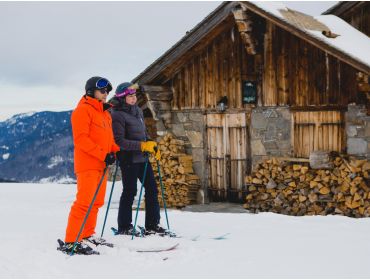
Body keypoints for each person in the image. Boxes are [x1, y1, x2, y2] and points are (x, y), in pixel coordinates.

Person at [59, 76, 120, 255]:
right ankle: (71, 240)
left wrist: (116, 151)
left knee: (96, 202)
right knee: (84, 202)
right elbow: (81, 140)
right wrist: (103, 155)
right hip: (88, 165)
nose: (106, 94)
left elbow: (108, 140)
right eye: (102, 90)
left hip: (102, 166)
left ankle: (87, 234)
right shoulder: (82, 111)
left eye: (107, 91)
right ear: (91, 91)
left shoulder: (105, 113)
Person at [111, 82, 164, 236]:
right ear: (122, 98)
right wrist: (142, 146)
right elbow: (119, 142)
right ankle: (124, 227)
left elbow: (143, 134)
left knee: (152, 190)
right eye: (130, 96)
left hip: (143, 158)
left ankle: (152, 225)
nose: (133, 99)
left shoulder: (138, 111)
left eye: (134, 95)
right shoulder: (117, 115)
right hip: (128, 159)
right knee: (130, 191)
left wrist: (151, 144)